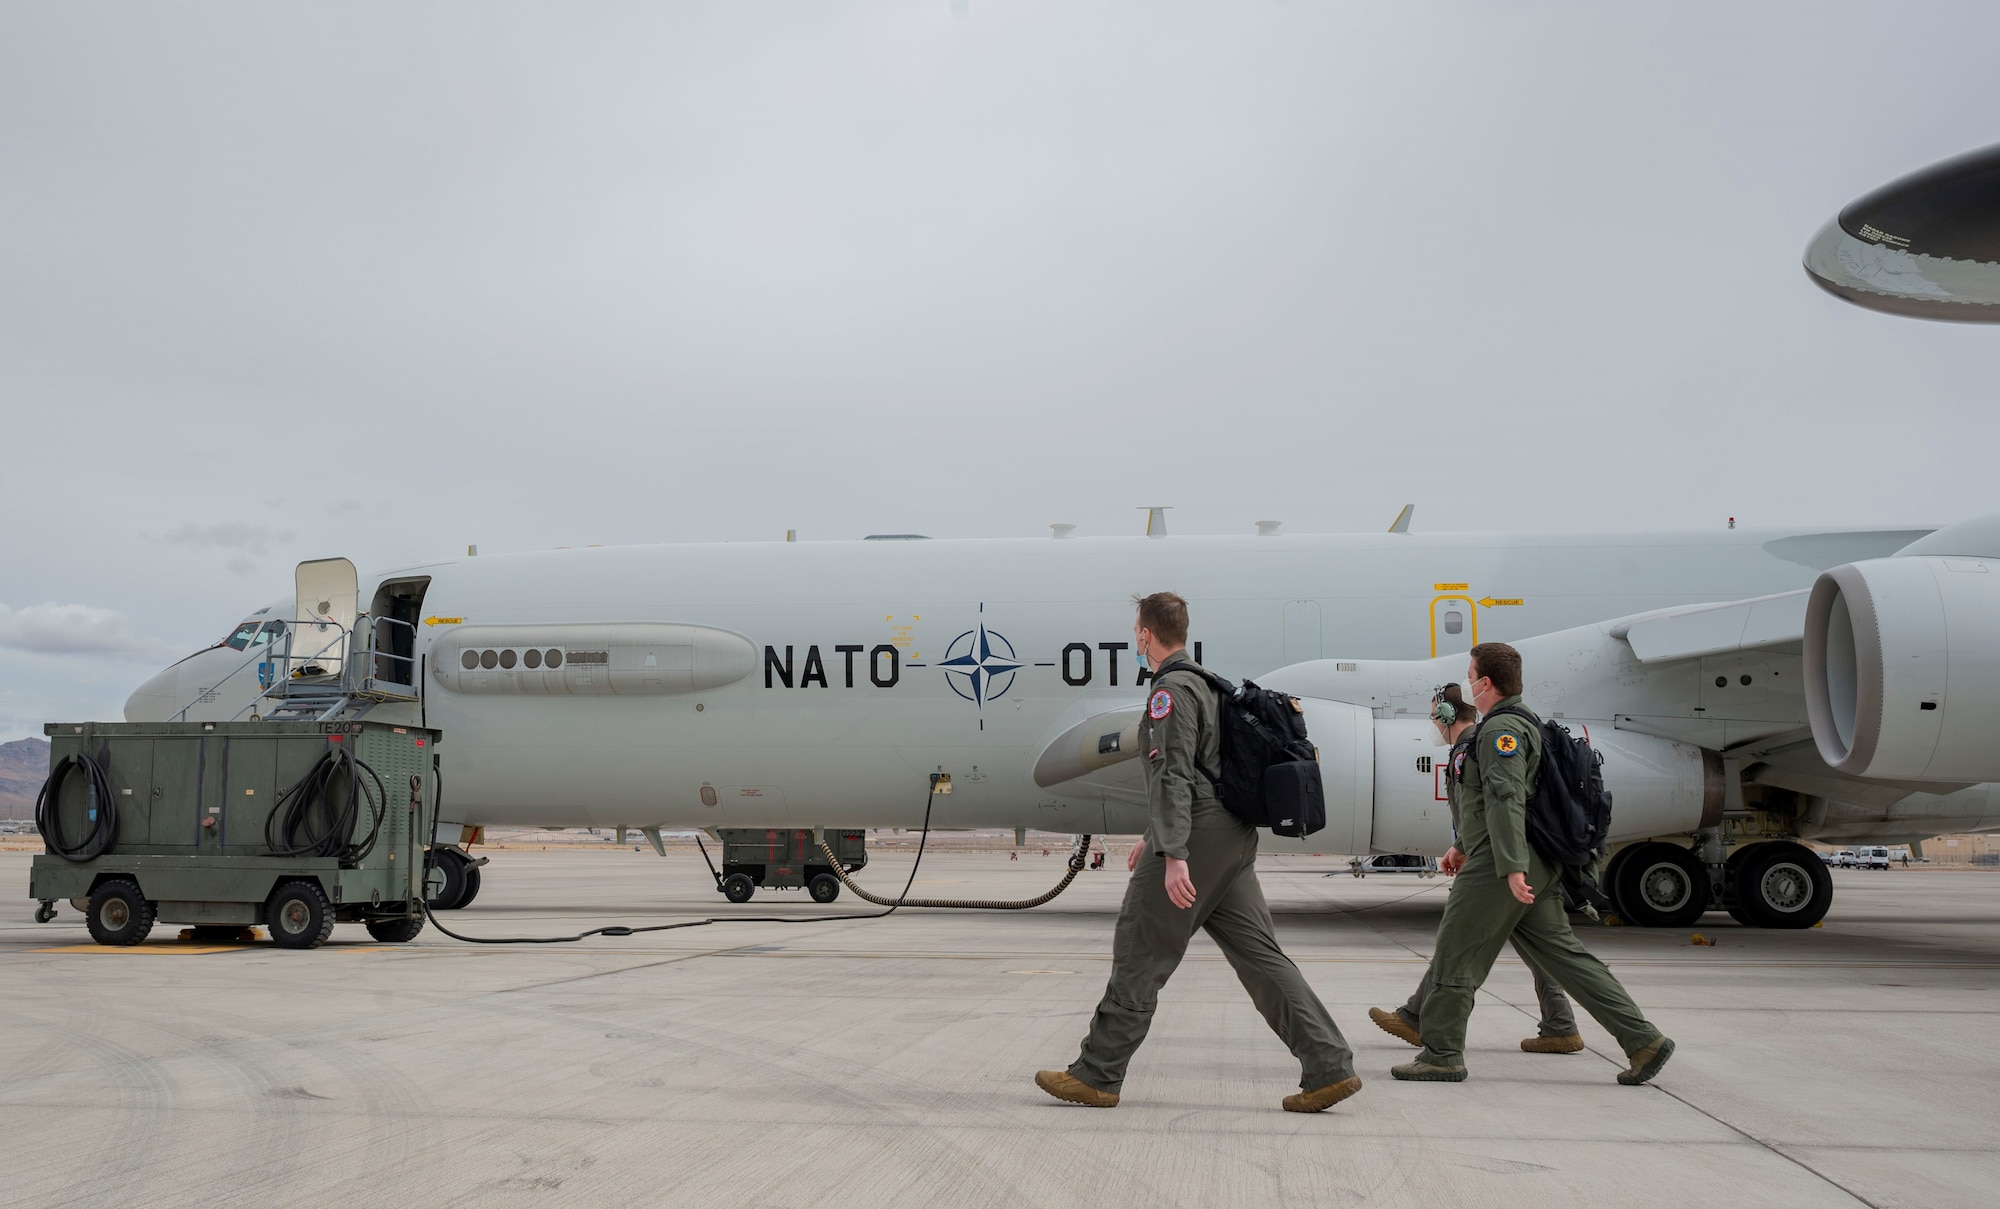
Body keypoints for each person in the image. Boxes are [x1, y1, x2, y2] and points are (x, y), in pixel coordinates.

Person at [1036, 593, 1362, 1112]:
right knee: (1259, 955)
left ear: (1145, 635)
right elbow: (1201, 772)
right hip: (1230, 836)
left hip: (1198, 837)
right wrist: (1155, 834)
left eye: (1136, 631)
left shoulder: (1169, 690)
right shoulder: (1211, 686)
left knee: (1141, 947)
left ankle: (1098, 1073)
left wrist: (1172, 852)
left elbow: (1173, 770)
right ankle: (1328, 1064)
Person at [1391, 642, 1675, 1086]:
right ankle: (1644, 1040)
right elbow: (1489, 803)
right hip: (1529, 860)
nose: (1468, 681)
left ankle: (1442, 1054)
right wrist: (1463, 845)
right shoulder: (1524, 724)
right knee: (1566, 957)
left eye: (1471, 674)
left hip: (1503, 864)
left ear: (1485, 683)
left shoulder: (1499, 731)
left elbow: (1507, 799)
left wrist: (1509, 866)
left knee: (1455, 952)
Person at [1368, 683, 1584, 1055]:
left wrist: (1469, 849)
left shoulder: (1468, 748)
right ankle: (1561, 1025)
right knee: (1539, 948)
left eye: (1435, 714)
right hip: (1510, 858)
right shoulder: (1477, 742)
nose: (1433, 722)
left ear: (1447, 715)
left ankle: (1419, 1022)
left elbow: (1486, 808)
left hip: (1500, 862)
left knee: (1457, 942)